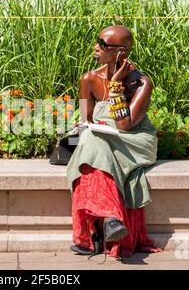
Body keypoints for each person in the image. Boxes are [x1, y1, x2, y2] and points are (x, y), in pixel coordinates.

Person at [66, 25, 162, 259]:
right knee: (90, 137)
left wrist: (117, 85)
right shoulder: (88, 79)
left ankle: (93, 236)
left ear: (121, 52)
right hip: (101, 138)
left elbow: (124, 125)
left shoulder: (142, 84)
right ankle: (110, 219)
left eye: (103, 44)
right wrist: (80, 134)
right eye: (97, 41)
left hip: (134, 142)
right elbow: (84, 119)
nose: (96, 48)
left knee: (93, 142)